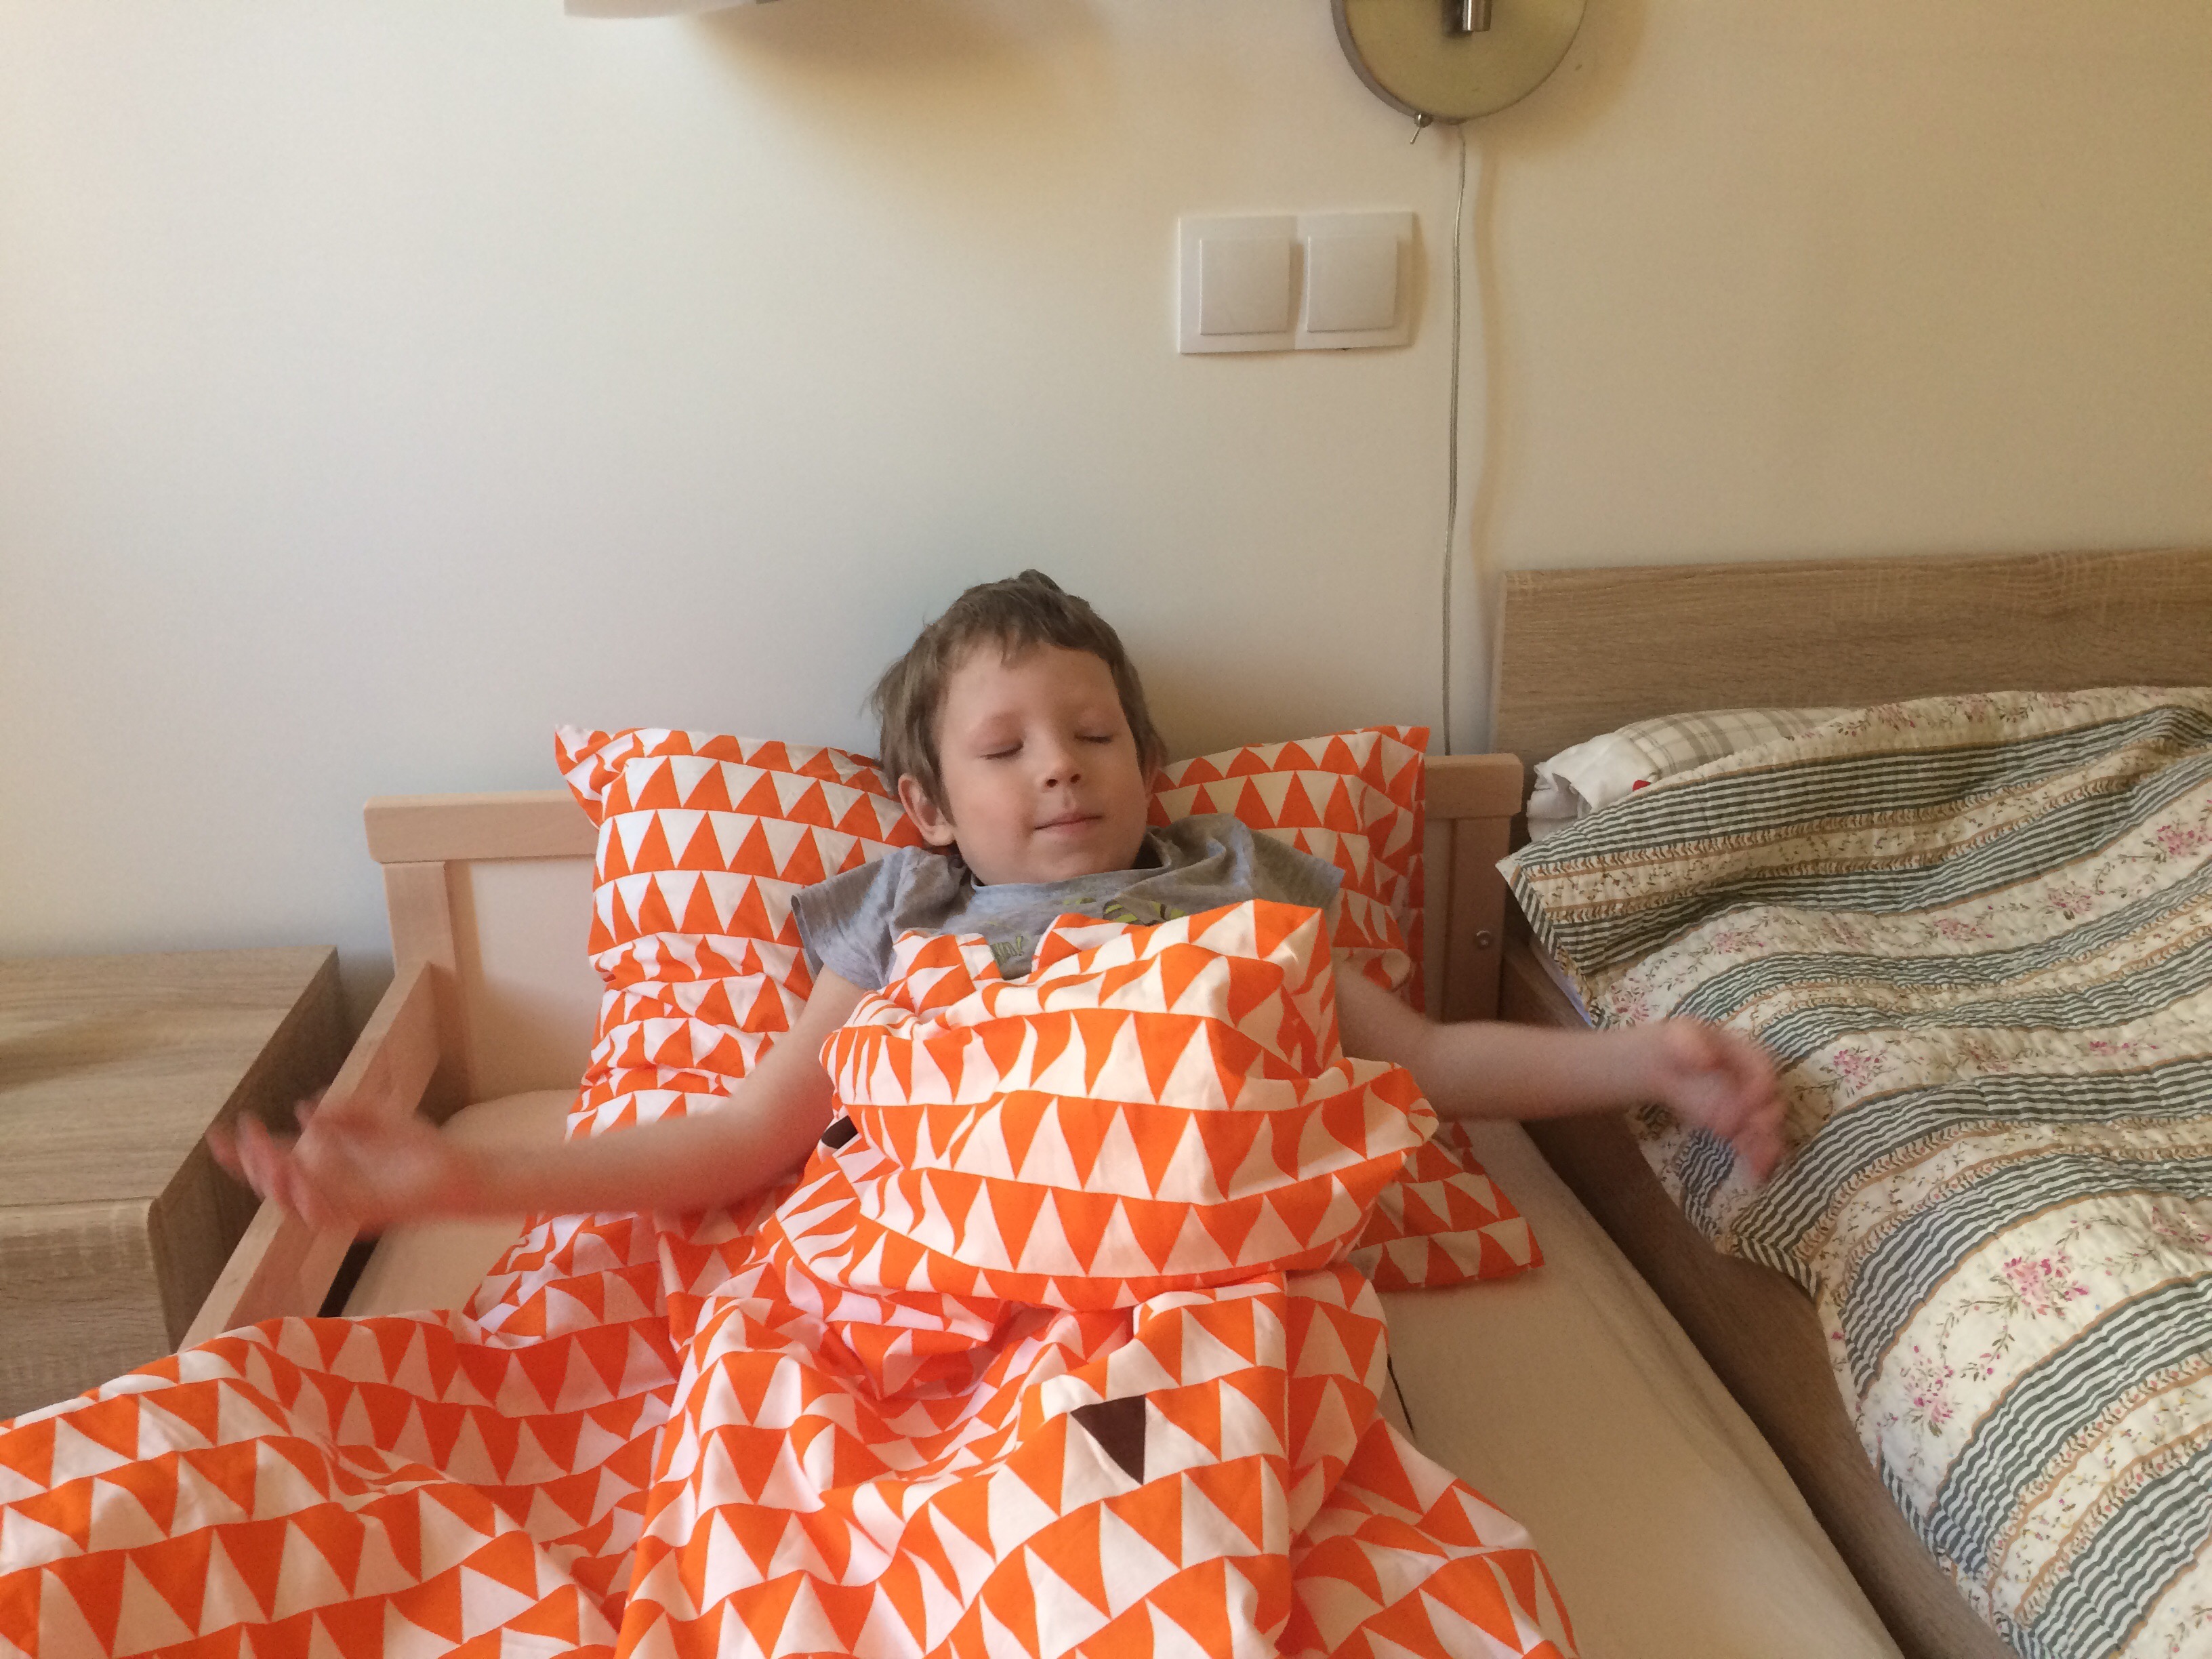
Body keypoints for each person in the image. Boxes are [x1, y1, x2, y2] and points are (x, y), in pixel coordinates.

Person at [214, 572, 1784, 1232]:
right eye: (1006, 748)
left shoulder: (1230, 882)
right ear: (927, 808)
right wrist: (459, 1184)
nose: (1058, 770)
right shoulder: (910, 916)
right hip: (961, 1270)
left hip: (1200, 1260)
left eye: (1094, 736)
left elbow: (1427, 1063)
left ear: (1151, 771)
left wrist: (1643, 1062)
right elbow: (746, 1137)